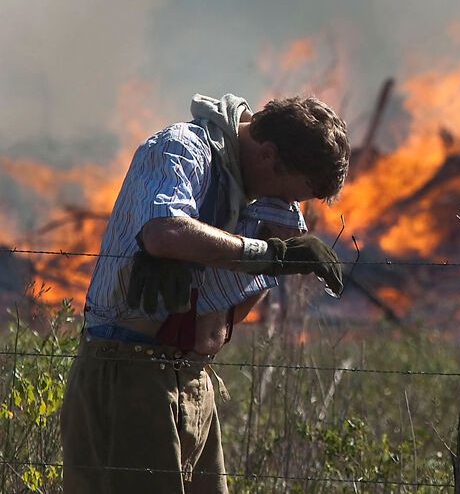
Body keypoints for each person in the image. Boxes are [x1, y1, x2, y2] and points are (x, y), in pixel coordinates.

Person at [59, 93, 350, 494]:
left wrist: (250, 280)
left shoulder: (268, 191)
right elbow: (164, 231)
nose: (290, 203)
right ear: (267, 155)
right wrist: (263, 255)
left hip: (195, 380)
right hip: (129, 372)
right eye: (292, 192)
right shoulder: (182, 148)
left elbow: (270, 264)